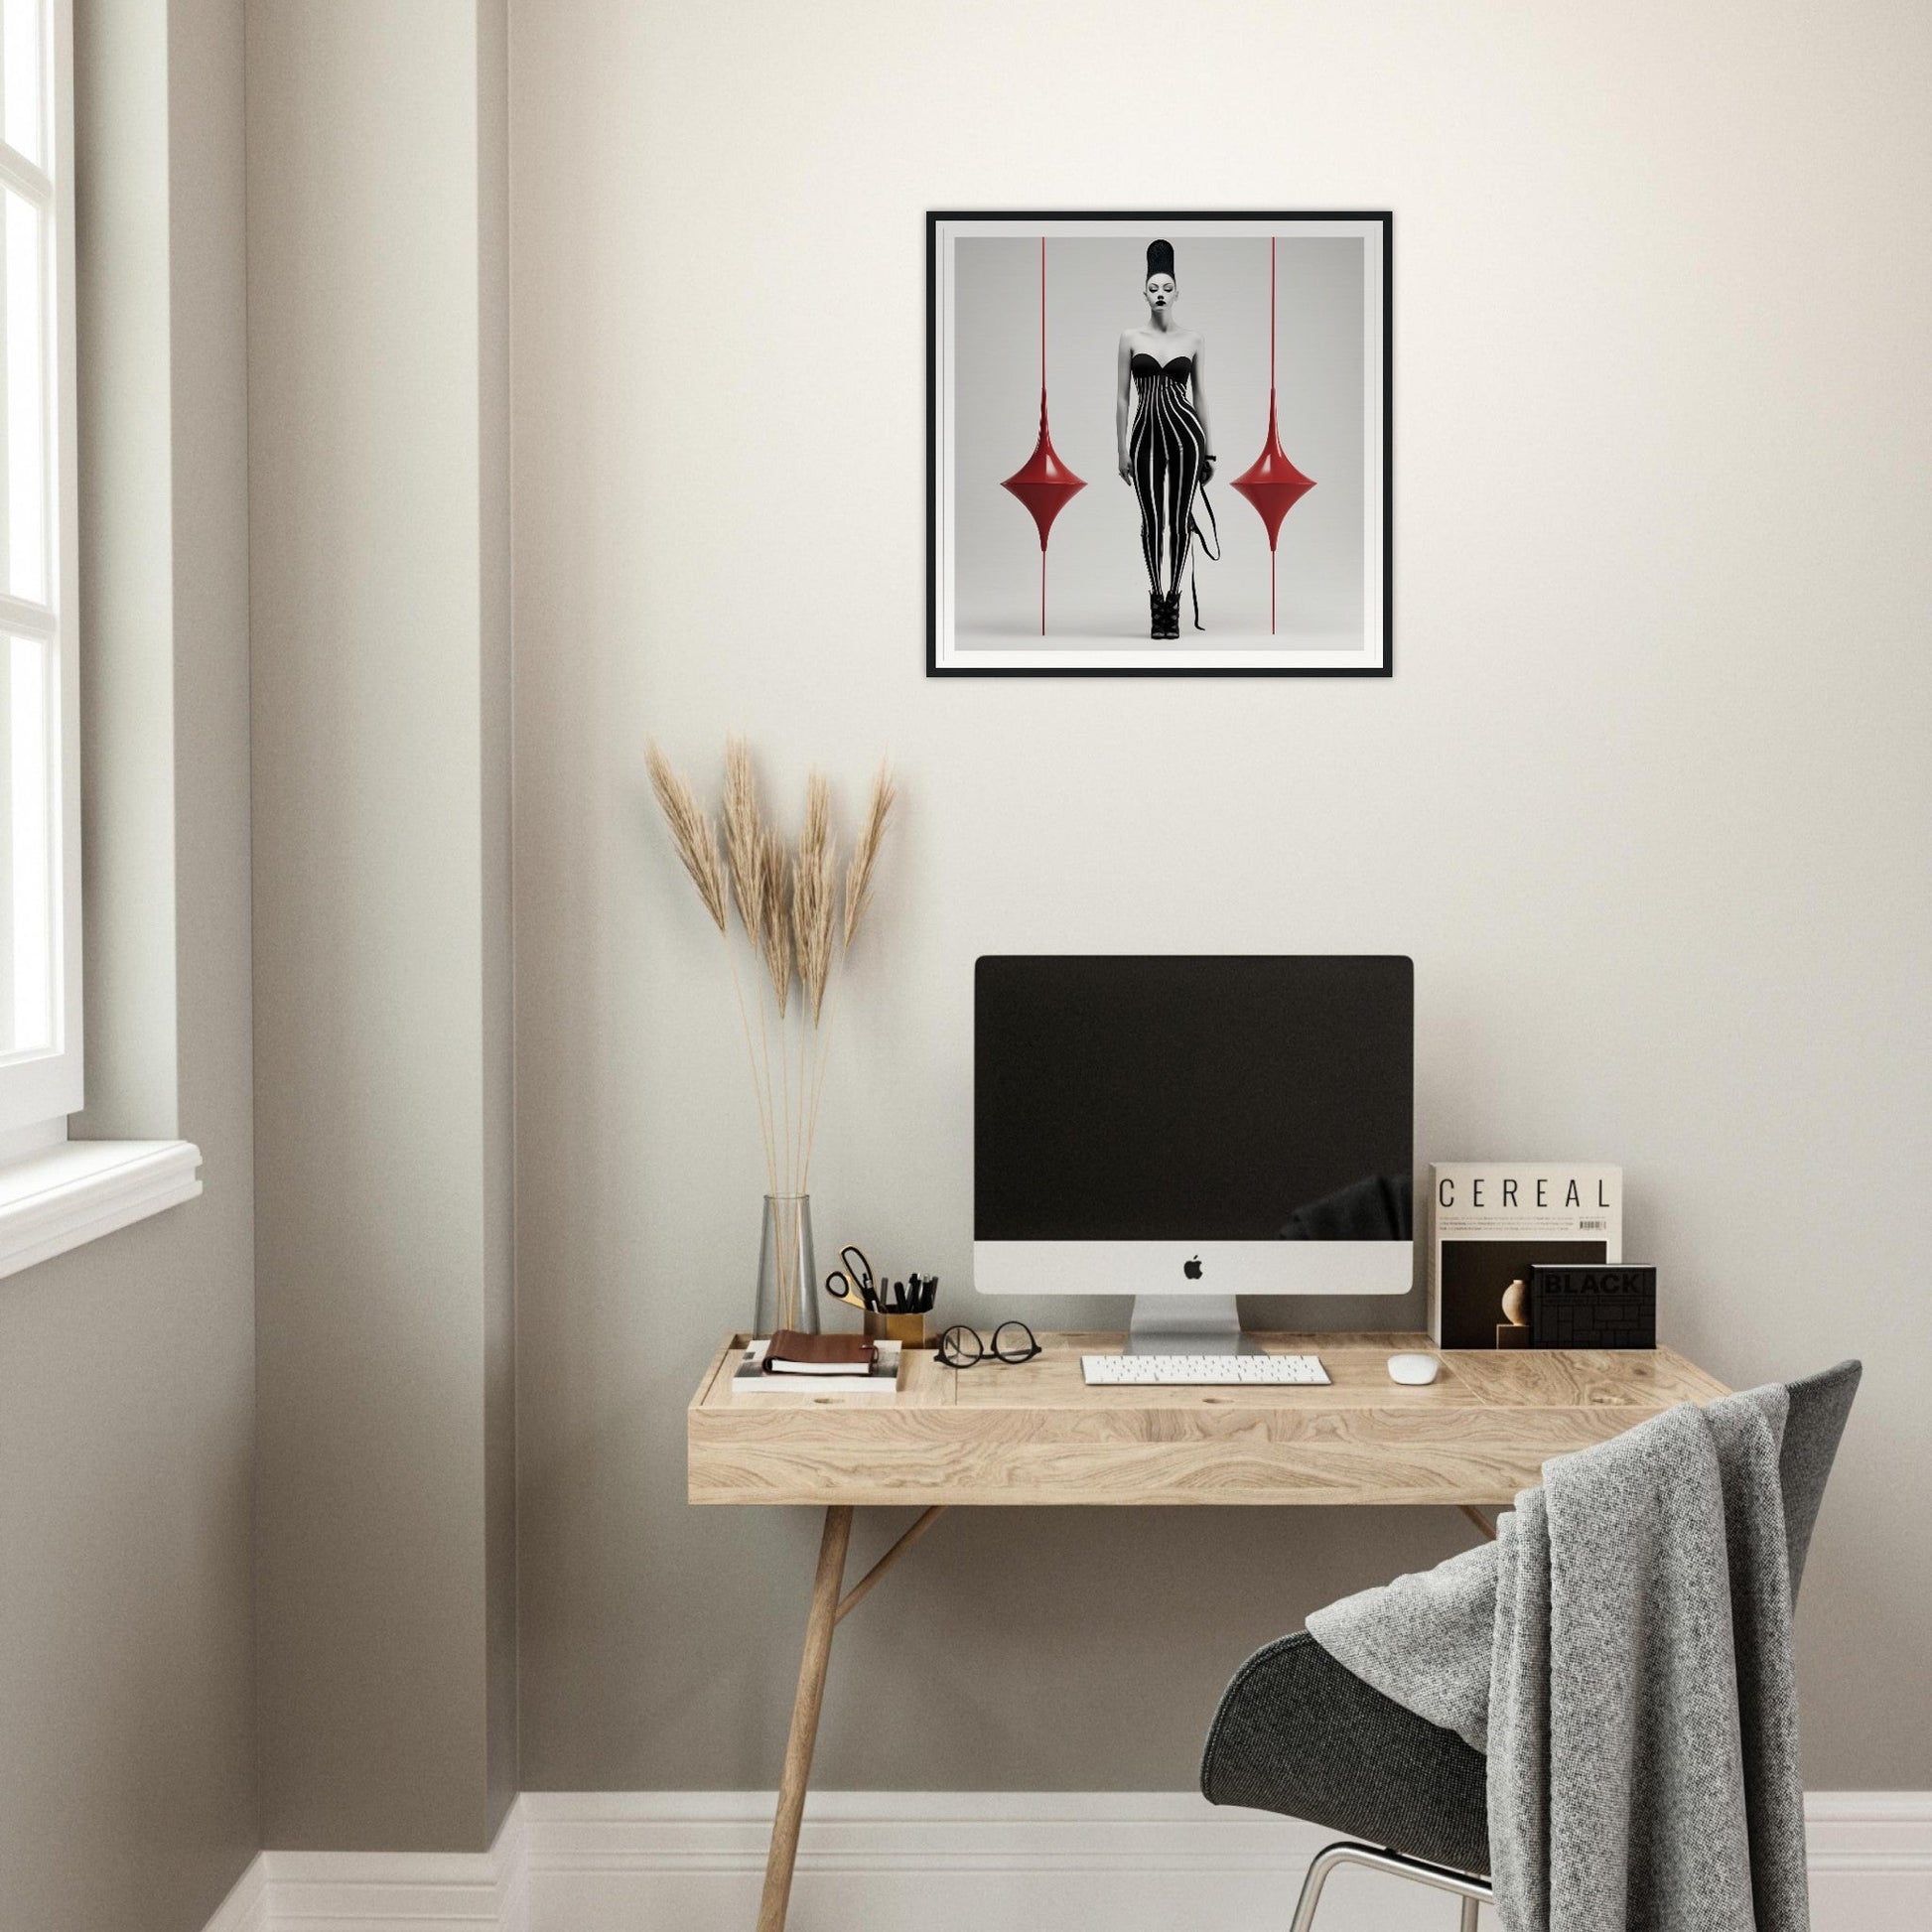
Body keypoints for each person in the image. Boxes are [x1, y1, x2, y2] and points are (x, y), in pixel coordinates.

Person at [1116, 238, 1217, 639]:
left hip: (1186, 437)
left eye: (1167, 288)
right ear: (1144, 292)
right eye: (1153, 288)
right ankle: (1156, 599)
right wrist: (1120, 448)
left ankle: (1171, 609)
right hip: (1143, 437)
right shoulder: (1129, 338)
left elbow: (1201, 395)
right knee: (1151, 522)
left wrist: (1209, 450)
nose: (1160, 294)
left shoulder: (1192, 339)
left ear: (1177, 293)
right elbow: (1123, 397)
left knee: (1178, 522)